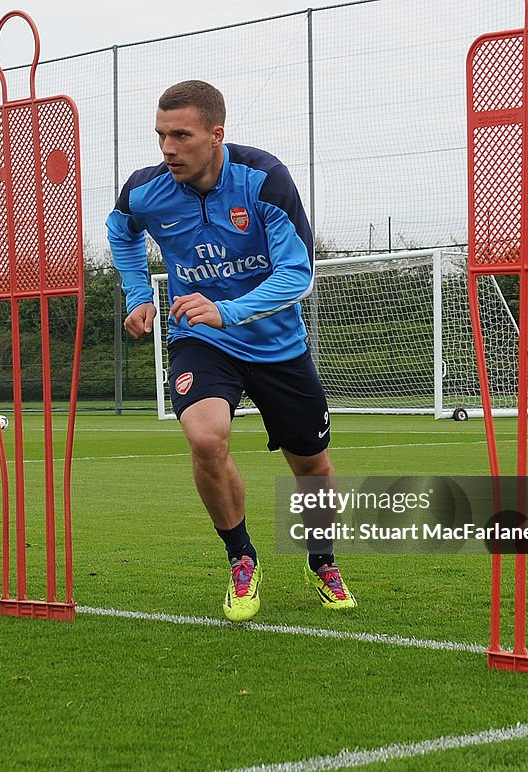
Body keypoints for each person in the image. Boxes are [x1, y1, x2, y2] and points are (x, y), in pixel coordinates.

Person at [107, 80, 356, 622]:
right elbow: (119, 230)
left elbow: (297, 275)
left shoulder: (264, 180)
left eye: (181, 135)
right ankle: (242, 557)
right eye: (160, 136)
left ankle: (323, 562)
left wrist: (230, 309)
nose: (167, 148)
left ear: (216, 135)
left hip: (276, 344)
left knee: (310, 465)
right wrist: (138, 294)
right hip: (202, 339)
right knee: (205, 436)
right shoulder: (145, 190)